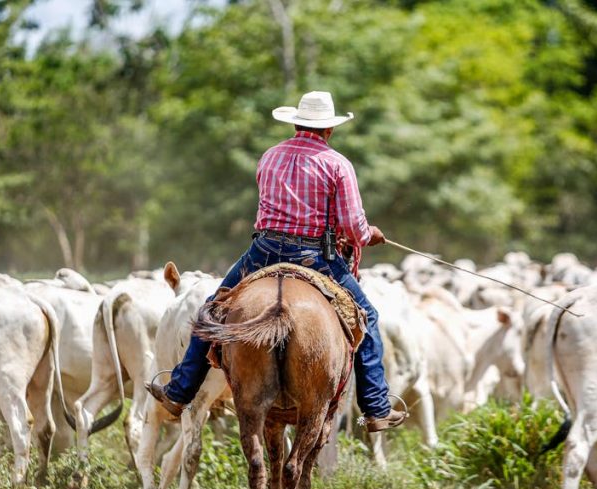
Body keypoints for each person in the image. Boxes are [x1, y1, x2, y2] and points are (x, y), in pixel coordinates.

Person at [147, 91, 406, 432]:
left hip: (264, 251)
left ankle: (179, 391)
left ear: (296, 122)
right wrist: (370, 233)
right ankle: (374, 408)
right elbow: (353, 229)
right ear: (329, 130)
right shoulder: (338, 164)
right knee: (367, 316)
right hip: (315, 256)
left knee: (211, 310)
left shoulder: (269, 156)